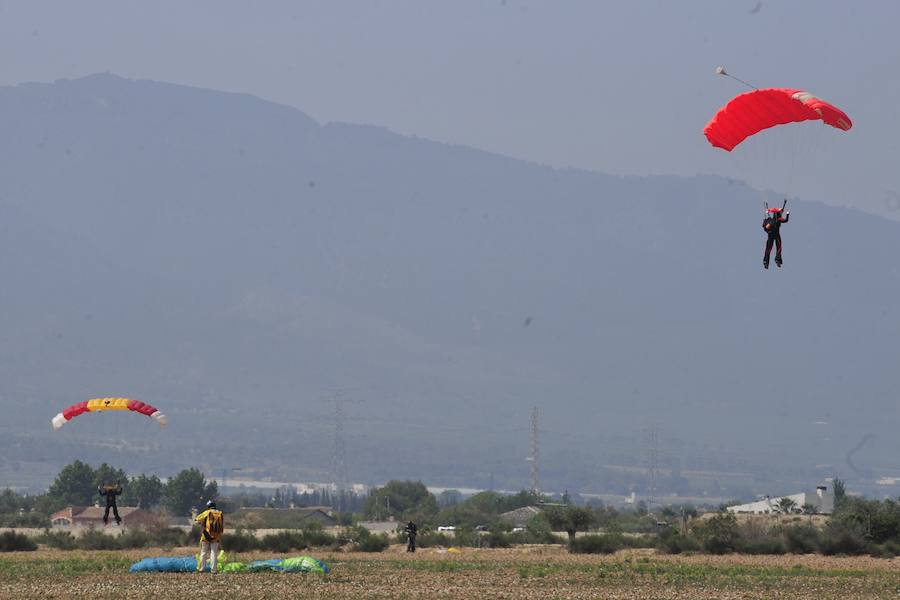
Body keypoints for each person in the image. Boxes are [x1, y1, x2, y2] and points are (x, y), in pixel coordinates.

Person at [195, 500, 224, 574]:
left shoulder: (207, 512)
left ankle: (201, 569)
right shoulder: (220, 513)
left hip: (206, 536)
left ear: (208, 506)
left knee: (204, 552)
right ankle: (214, 570)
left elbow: (197, 519)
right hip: (216, 536)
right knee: (214, 552)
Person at [762, 205, 790, 269]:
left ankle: (766, 262)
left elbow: (764, 226)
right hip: (776, 235)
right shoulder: (778, 219)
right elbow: (786, 220)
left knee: (768, 249)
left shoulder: (769, 220)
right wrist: (787, 213)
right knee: (779, 248)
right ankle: (777, 260)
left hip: (771, 236)